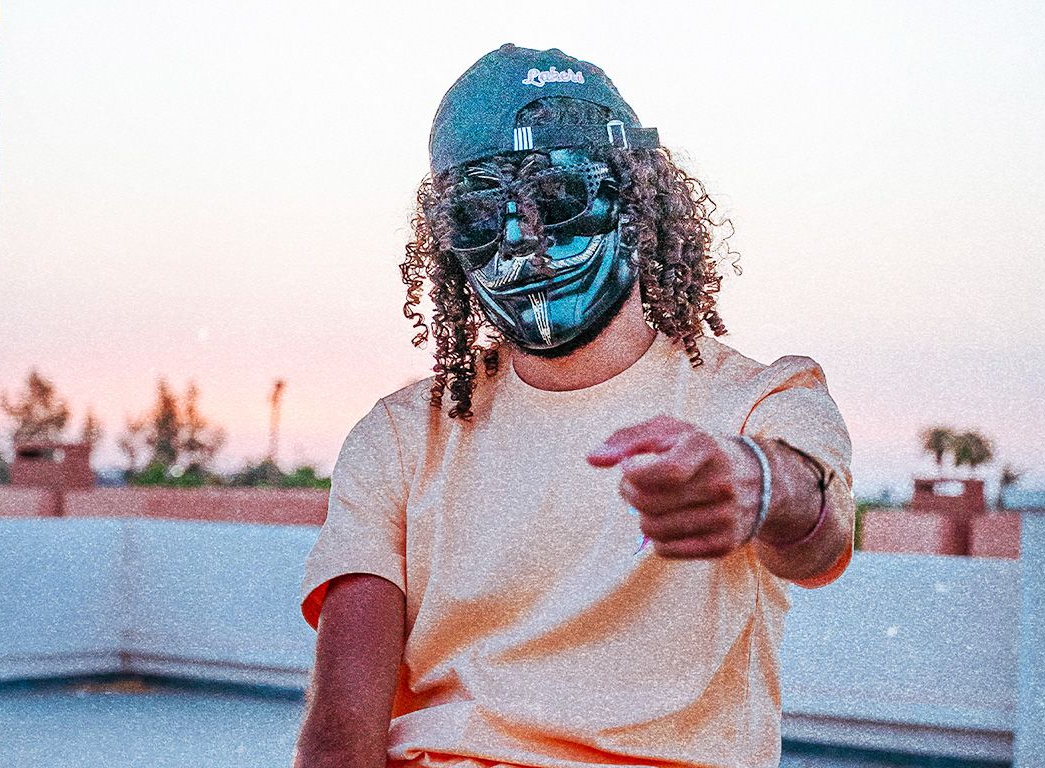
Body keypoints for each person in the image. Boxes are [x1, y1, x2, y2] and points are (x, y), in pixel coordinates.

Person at [294, 44, 854, 768]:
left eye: (557, 195)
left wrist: (761, 485)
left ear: (639, 198)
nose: (520, 238)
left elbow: (821, 538)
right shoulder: (399, 438)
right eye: (477, 212)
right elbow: (344, 729)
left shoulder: (761, 399)